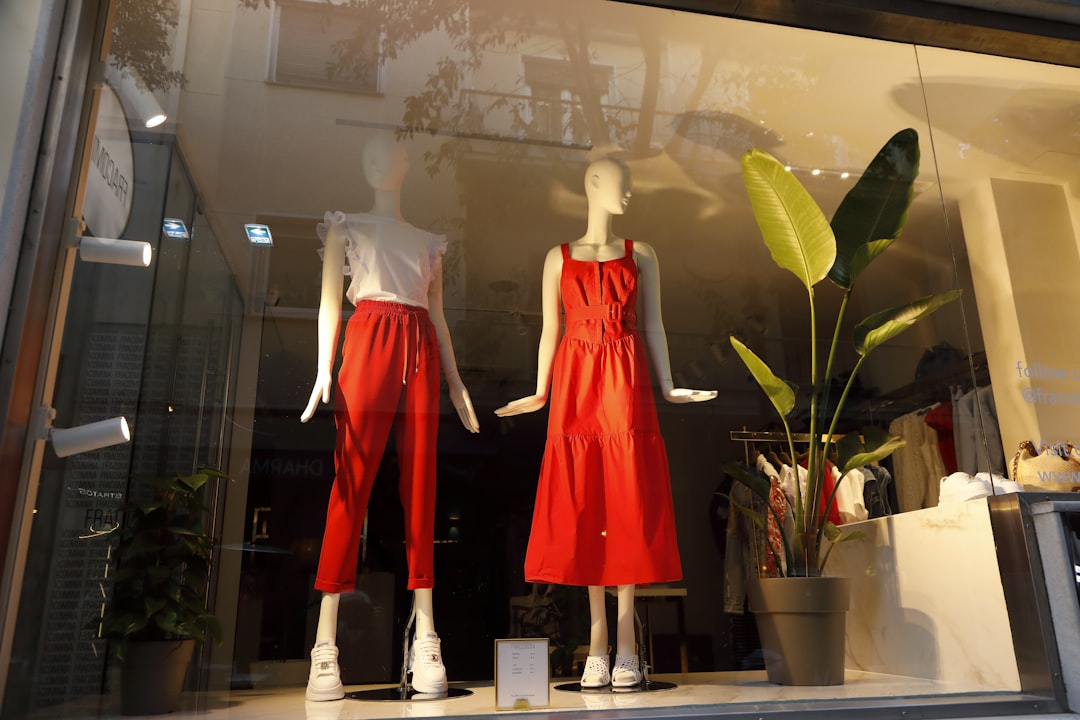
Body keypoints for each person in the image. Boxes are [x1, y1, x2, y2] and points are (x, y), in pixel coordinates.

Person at [495, 157, 715, 688]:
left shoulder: (643, 255)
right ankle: (597, 640)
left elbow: (656, 326)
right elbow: (550, 331)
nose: (630, 195)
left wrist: (667, 386)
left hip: (625, 377)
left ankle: (626, 643)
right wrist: (542, 390)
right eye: (622, 184)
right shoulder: (558, 257)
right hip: (576, 380)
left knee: (626, 495)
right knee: (586, 496)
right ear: (593, 184)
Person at [301, 133, 479, 701]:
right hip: (369, 337)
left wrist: (456, 383)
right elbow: (330, 301)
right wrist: (324, 369)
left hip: (421, 345)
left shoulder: (428, 242)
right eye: (370, 154)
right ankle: (325, 640)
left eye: (390, 154)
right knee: (350, 482)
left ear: (405, 165)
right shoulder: (345, 226)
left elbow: (440, 317)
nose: (380, 162)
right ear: (362, 164)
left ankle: (426, 629)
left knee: (421, 483)